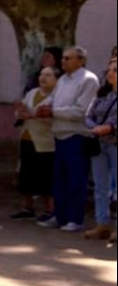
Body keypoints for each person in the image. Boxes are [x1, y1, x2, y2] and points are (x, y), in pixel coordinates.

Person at [36, 46, 100, 233]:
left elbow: (81, 110)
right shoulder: (63, 79)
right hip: (59, 133)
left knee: (76, 179)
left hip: (77, 134)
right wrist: (39, 108)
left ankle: (75, 218)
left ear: (81, 60)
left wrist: (53, 112)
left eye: (68, 58)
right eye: (63, 58)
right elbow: (51, 100)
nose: (63, 61)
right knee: (60, 178)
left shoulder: (89, 80)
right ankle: (60, 215)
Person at [12, 66, 58, 221]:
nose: (43, 78)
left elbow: (48, 115)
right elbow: (22, 110)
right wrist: (21, 112)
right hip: (27, 137)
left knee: (46, 175)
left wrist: (31, 114)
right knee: (26, 173)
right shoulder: (32, 93)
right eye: (41, 75)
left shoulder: (57, 96)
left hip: (45, 140)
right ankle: (28, 206)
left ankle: (49, 209)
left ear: (56, 79)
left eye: (48, 75)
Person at [83, 58, 117, 241]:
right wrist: (94, 126)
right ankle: (102, 223)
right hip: (99, 143)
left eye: (116, 70)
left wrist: (111, 127)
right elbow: (88, 115)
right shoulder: (102, 93)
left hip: (115, 143)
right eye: (110, 69)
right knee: (100, 185)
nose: (111, 73)